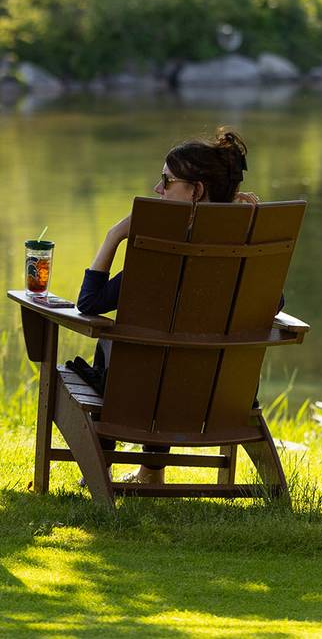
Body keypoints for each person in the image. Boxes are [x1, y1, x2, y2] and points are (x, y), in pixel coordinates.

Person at [73, 127, 264, 483]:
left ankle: (111, 462)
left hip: (145, 399)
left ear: (196, 191)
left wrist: (115, 234)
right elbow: (274, 302)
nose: (157, 189)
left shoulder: (161, 252)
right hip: (224, 398)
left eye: (166, 180)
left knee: (119, 345)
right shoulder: (241, 256)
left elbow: (89, 303)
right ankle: (151, 472)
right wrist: (245, 231)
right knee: (162, 350)